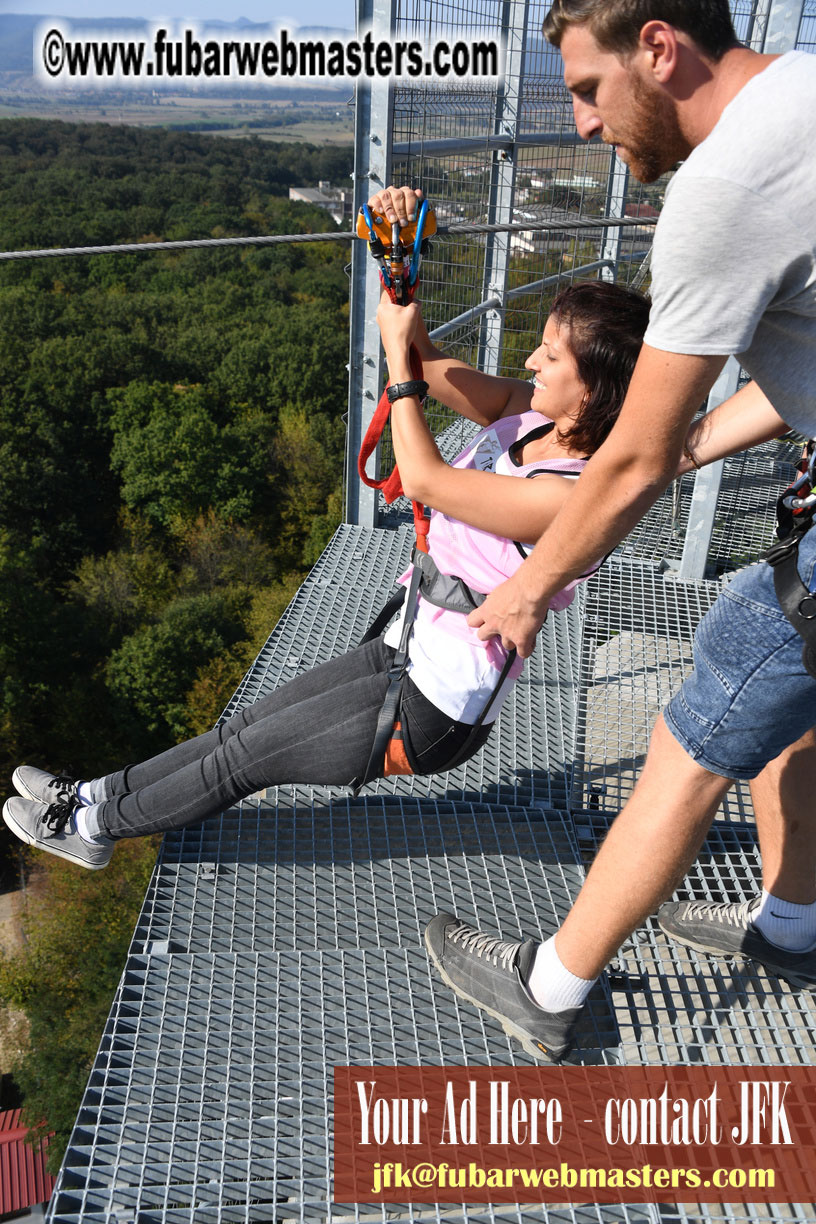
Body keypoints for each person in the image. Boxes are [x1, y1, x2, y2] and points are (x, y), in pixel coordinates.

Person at [372, 1, 816, 1064]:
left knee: (701, 726)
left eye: (586, 88)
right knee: (794, 703)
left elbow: (630, 459)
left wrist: (526, 594)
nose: (578, 124)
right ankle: (794, 922)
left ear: (660, 49)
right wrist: (692, 442)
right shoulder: (803, 90)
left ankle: (550, 983)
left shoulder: (722, 190)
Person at [3, 279, 650, 875]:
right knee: (236, 732)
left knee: (240, 763)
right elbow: (427, 361)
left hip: (436, 704)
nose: (532, 363)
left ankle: (91, 830)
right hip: (407, 643)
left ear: (593, 387)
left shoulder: (573, 497)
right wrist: (400, 273)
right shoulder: (529, 416)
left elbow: (426, 478)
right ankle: (95, 792)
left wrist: (400, 371)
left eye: (551, 356)